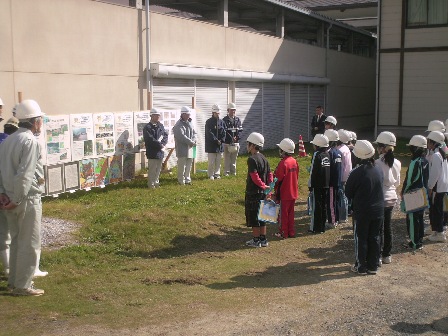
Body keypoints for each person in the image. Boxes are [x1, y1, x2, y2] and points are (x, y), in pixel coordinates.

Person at [0, 99, 46, 296]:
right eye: (41, 120)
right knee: (30, 242)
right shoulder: (30, 141)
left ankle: (14, 281)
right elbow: (25, 175)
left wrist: (4, 195)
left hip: (8, 197)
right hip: (25, 199)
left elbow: (3, 171)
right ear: (35, 121)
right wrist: (17, 199)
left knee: (17, 240)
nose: (41, 124)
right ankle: (23, 285)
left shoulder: (8, 139)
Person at [345, 140, 384, 275]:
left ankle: (361, 266)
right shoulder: (378, 169)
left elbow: (348, 192)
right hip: (378, 209)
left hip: (362, 210)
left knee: (361, 238)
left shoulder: (356, 172)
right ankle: (373, 266)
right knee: (374, 236)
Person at [374, 131, 401, 264]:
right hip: (392, 198)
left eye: (379, 146)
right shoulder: (398, 162)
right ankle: (387, 255)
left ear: (383, 147)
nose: (377, 148)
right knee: (388, 227)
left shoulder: (377, 163)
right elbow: (397, 183)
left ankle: (378, 255)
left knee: (379, 228)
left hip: (381, 198)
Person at [245, 132, 273, 248]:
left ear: (252, 145)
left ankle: (256, 240)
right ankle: (263, 239)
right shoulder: (264, 158)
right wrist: (269, 187)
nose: (247, 146)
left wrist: (262, 185)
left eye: (248, 144)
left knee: (253, 217)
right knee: (262, 216)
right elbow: (270, 174)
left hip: (254, 192)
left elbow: (254, 176)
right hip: (263, 193)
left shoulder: (252, 159)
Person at [401, 135, 429, 250]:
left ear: (416, 148)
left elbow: (410, 180)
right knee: (420, 218)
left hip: (413, 193)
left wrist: (404, 192)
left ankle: (414, 242)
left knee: (412, 219)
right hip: (423, 191)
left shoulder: (415, 162)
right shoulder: (425, 160)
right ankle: (420, 240)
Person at [0, 117, 19, 276]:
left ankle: (8, 268)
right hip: (9, 194)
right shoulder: (11, 144)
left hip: (3, 192)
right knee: (15, 233)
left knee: (3, 233)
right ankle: (12, 269)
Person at [273, 138, 299, 239]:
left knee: (283, 214)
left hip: (284, 193)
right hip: (293, 192)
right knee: (291, 213)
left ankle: (283, 232)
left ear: (283, 150)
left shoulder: (283, 163)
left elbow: (278, 178)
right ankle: (291, 231)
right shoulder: (294, 161)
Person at [426, 131, 448, 242]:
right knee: (439, 209)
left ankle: (439, 233)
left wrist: (430, 187)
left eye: (429, 141)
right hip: (442, 186)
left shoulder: (436, 155)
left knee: (437, 210)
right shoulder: (442, 153)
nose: (427, 143)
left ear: (433, 142)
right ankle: (437, 229)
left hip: (437, 187)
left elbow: (435, 173)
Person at [308, 134, 330, 234]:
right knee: (324, 205)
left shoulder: (317, 154)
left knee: (317, 206)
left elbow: (313, 171)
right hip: (326, 183)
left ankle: (315, 227)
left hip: (317, 184)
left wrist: (310, 185)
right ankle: (322, 227)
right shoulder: (327, 154)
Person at [143, 108, 168, 188]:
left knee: (158, 169)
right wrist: (159, 145)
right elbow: (150, 139)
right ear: (151, 116)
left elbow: (165, 135)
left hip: (160, 151)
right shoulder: (147, 127)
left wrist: (163, 144)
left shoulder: (161, 126)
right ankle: (151, 184)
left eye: (158, 115)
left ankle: (156, 182)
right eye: (156, 115)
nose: (157, 117)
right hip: (152, 151)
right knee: (152, 169)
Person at [173, 106, 197, 185]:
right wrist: (190, 142)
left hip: (191, 147)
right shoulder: (178, 124)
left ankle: (187, 179)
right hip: (182, 148)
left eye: (189, 114)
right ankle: (181, 180)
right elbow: (181, 136)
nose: (188, 116)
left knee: (189, 164)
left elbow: (194, 133)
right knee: (182, 165)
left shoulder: (190, 122)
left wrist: (193, 140)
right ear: (182, 114)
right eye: (186, 114)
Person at [324, 129, 342, 229]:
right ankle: (337, 218)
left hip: (331, 181)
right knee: (335, 200)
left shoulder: (330, 153)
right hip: (338, 180)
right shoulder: (338, 152)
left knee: (330, 202)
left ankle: (332, 221)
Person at [205, 104, 226, 180]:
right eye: (216, 113)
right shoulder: (208, 122)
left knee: (218, 161)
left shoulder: (222, 122)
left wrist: (221, 140)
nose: (218, 114)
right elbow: (209, 133)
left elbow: (224, 132)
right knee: (211, 162)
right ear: (213, 113)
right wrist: (216, 140)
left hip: (219, 146)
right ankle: (210, 174)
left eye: (218, 113)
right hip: (211, 146)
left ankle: (217, 174)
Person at [222, 102, 243, 176]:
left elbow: (240, 131)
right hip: (227, 143)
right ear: (228, 110)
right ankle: (226, 172)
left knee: (234, 159)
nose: (233, 111)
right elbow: (223, 132)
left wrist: (237, 137)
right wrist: (230, 138)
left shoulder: (237, 120)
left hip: (236, 143)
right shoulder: (224, 120)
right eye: (232, 110)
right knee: (227, 158)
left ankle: (233, 172)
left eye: (234, 110)